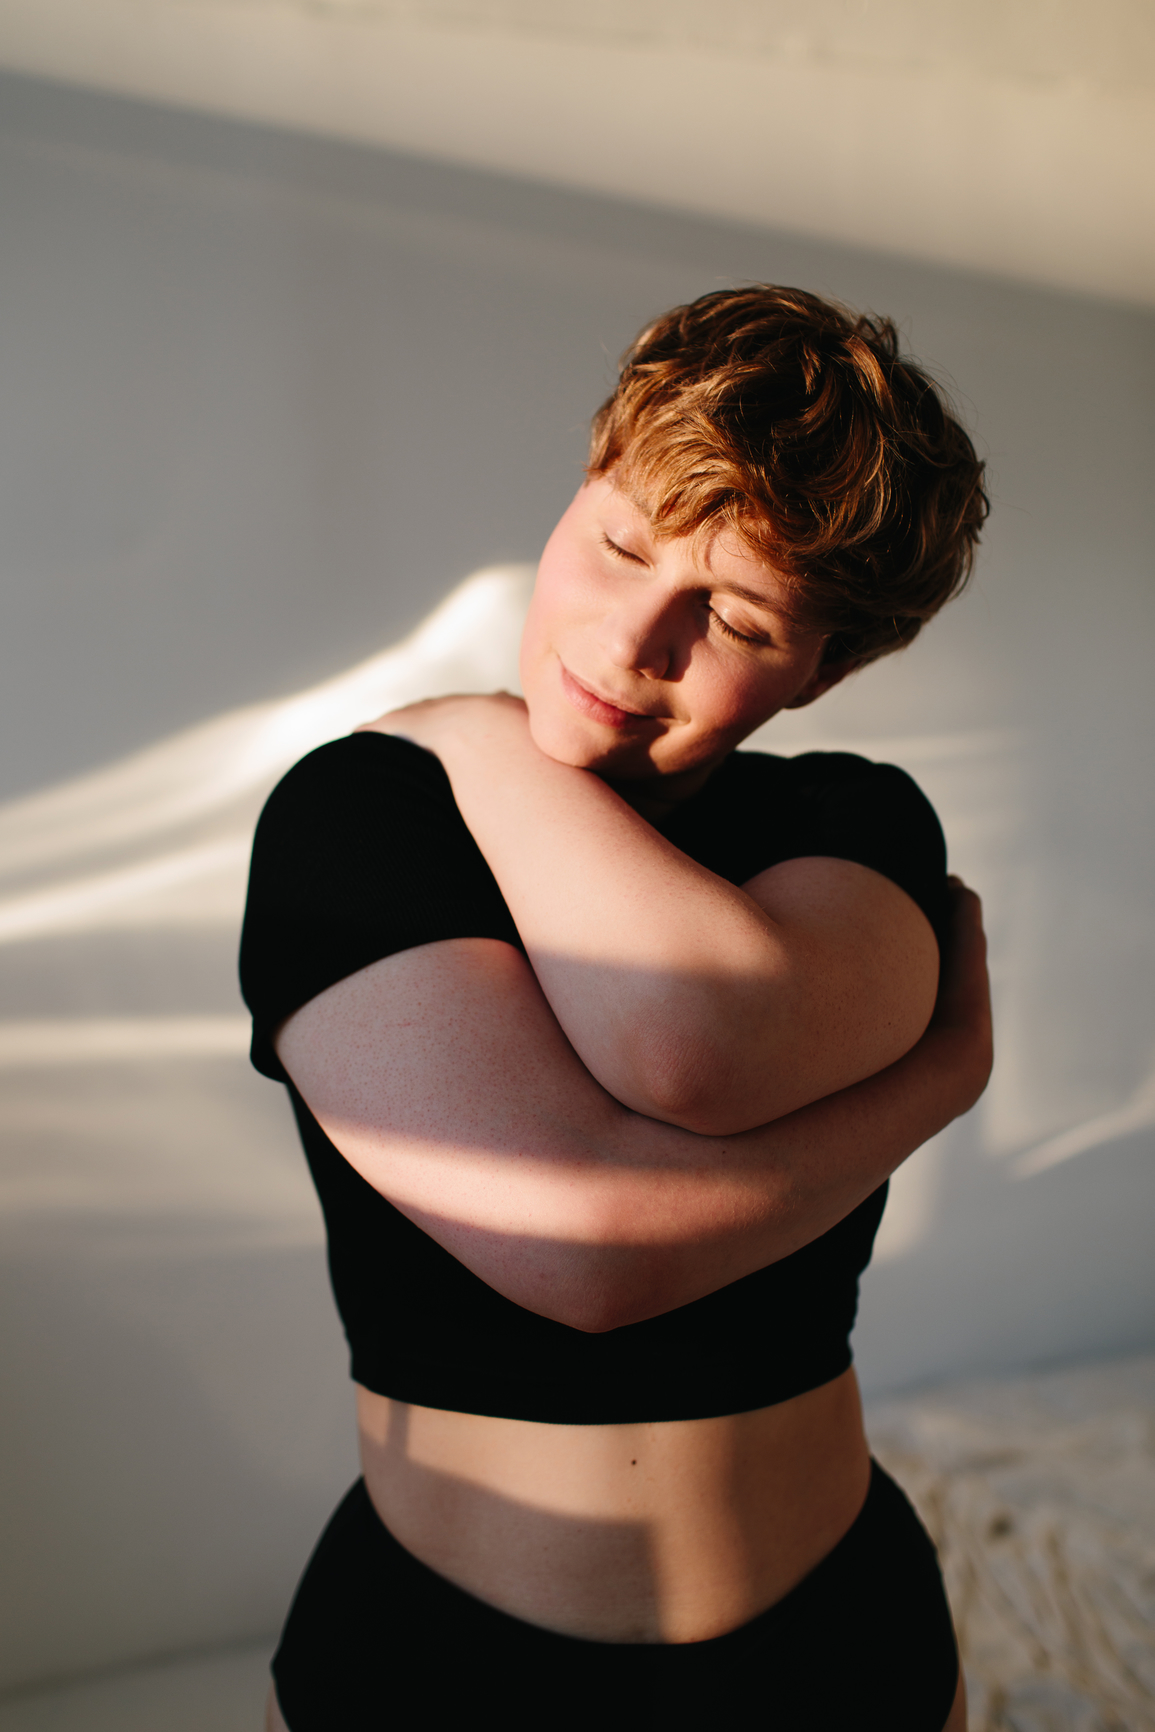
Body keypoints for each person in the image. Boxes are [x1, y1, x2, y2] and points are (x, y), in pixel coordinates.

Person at [241, 285, 992, 1729]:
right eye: (618, 544)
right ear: (579, 487)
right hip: (446, 1673)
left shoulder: (853, 823)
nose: (633, 642)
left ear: (829, 667)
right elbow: (584, 1256)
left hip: (844, 1647)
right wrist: (940, 1079)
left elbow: (701, 1043)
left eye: (733, 618)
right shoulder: (365, 814)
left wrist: (475, 732)